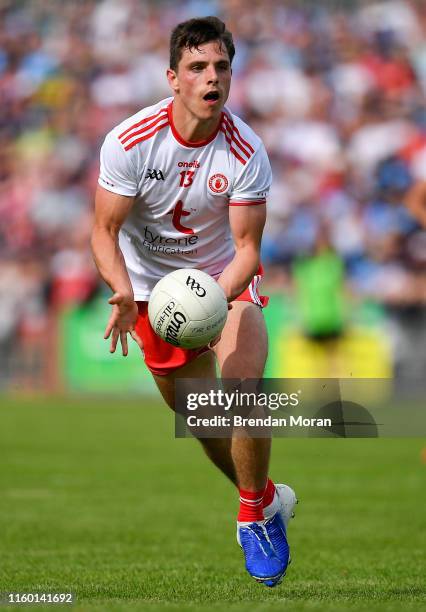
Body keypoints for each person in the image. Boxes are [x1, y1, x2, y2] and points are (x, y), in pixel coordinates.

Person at [91, 16, 296, 587]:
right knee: (201, 420)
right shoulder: (131, 140)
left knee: (243, 392)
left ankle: (252, 517)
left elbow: (248, 249)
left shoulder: (245, 149)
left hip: (221, 280)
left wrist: (215, 298)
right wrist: (122, 292)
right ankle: (267, 495)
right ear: (173, 77)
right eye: (198, 67)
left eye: (222, 67)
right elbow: (103, 232)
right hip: (153, 292)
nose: (212, 78)